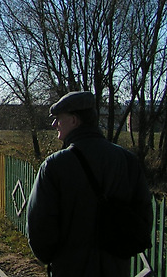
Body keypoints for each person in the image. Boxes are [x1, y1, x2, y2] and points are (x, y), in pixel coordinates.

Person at [26, 91, 152, 276]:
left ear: (74, 121)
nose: (55, 125)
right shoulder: (127, 161)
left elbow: (39, 225)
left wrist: (54, 259)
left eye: (59, 119)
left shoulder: (55, 165)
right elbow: (144, 216)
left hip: (70, 269)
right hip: (116, 269)